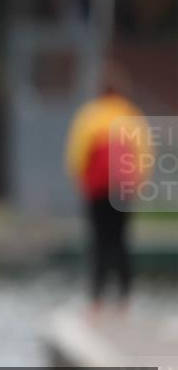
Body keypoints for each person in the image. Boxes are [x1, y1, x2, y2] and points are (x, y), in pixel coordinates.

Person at [64, 62, 153, 314]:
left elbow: (77, 154)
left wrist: (80, 181)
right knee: (121, 240)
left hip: (97, 189)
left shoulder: (89, 116)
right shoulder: (131, 115)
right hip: (123, 187)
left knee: (99, 240)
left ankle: (97, 298)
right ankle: (125, 298)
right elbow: (143, 153)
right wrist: (138, 183)